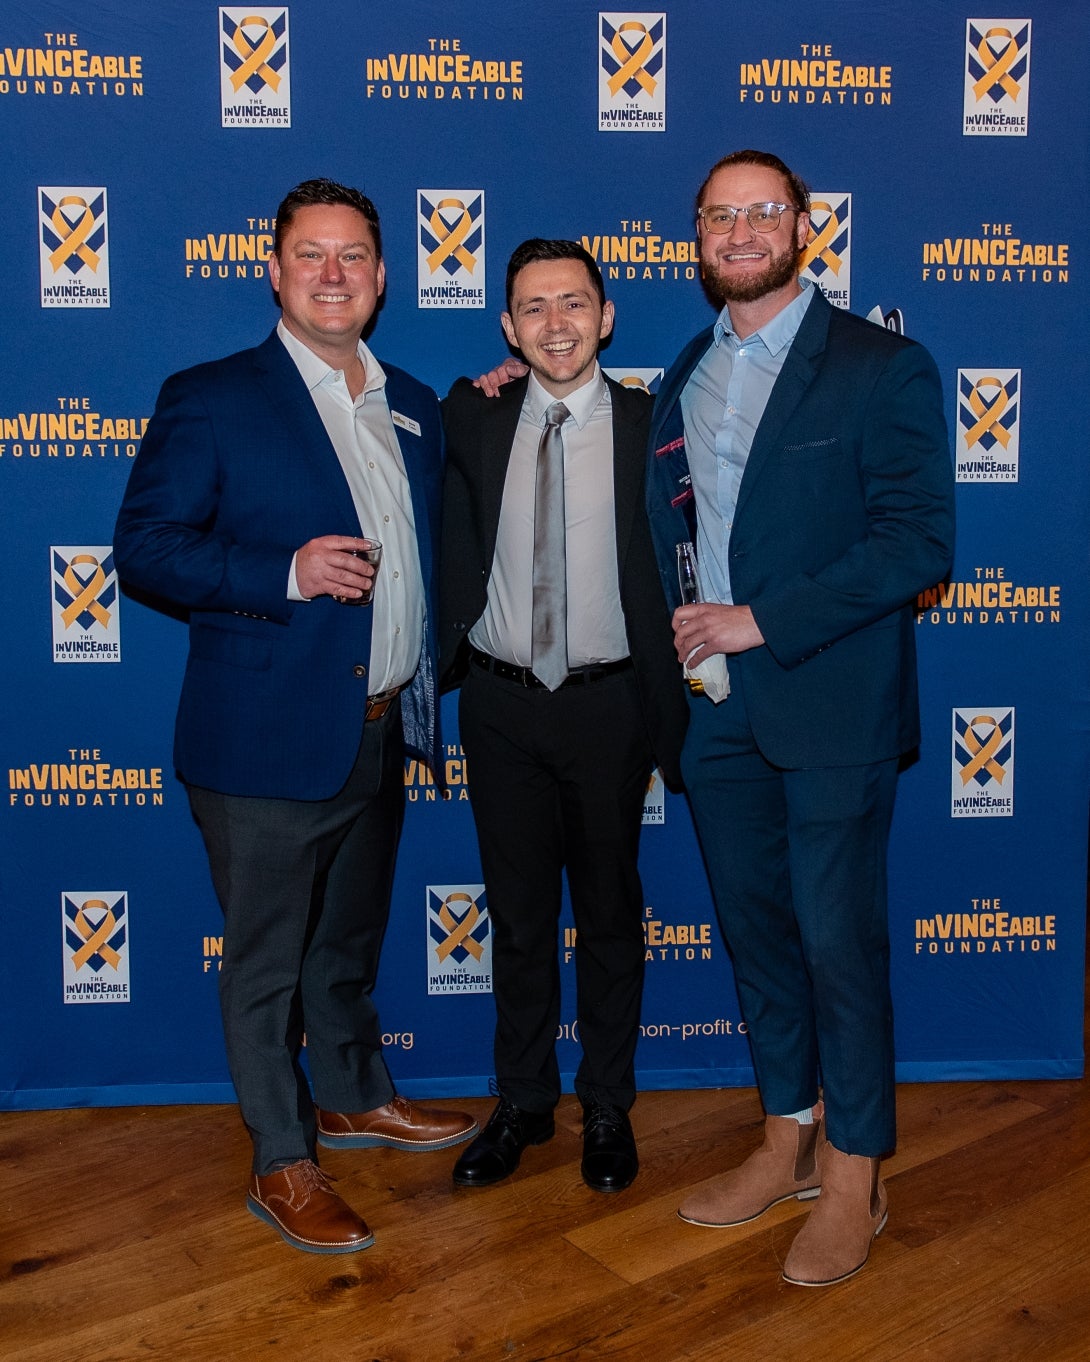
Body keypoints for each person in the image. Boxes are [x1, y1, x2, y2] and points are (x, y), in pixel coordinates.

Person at [114, 178, 476, 1255]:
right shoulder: (213, 394)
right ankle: (281, 1159)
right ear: (273, 270)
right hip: (262, 734)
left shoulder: (411, 400)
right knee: (268, 963)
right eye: (310, 254)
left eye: (354, 255)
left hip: (378, 727)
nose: (333, 273)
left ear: (381, 274)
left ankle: (354, 1095)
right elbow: (145, 546)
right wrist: (283, 568)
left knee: (345, 944)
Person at [644, 150, 955, 1285]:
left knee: (837, 943)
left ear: (803, 228)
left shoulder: (883, 366)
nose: (739, 231)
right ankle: (786, 1138)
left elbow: (919, 543)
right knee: (761, 941)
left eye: (760, 212)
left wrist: (760, 620)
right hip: (715, 716)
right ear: (697, 237)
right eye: (718, 216)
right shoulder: (685, 370)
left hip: (830, 706)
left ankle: (856, 1168)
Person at [440, 240, 687, 1194]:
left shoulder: (651, 422)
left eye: (574, 304)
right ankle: (525, 1102)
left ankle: (609, 1104)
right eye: (534, 309)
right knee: (517, 914)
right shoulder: (472, 412)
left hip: (610, 705)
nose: (556, 324)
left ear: (607, 315)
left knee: (611, 912)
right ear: (508, 328)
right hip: (499, 703)